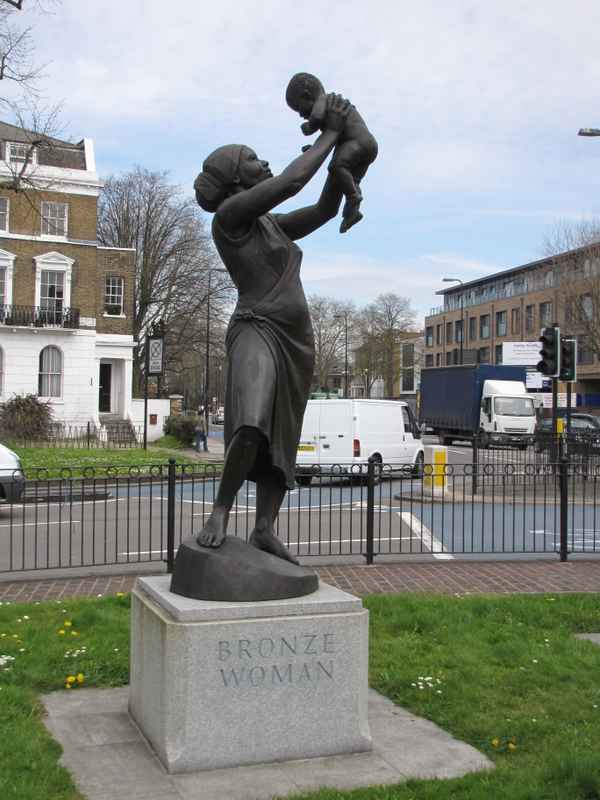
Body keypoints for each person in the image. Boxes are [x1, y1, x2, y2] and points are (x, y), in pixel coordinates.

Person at [193, 93, 350, 564]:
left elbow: (322, 209)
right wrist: (332, 132)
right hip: (257, 328)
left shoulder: (273, 225)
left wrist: (344, 165)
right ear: (238, 178)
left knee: (282, 436)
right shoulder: (231, 219)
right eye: (253, 158)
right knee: (251, 421)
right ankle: (220, 510)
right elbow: (294, 180)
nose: (264, 161)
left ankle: (264, 528)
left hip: (296, 341)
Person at [285, 72, 378, 233]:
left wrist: (309, 127)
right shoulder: (335, 107)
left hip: (357, 143)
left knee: (336, 167)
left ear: (307, 95)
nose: (301, 115)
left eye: (299, 109)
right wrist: (315, 149)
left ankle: (353, 197)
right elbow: (329, 133)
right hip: (367, 146)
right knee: (350, 180)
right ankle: (352, 212)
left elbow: (317, 117)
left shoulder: (324, 100)